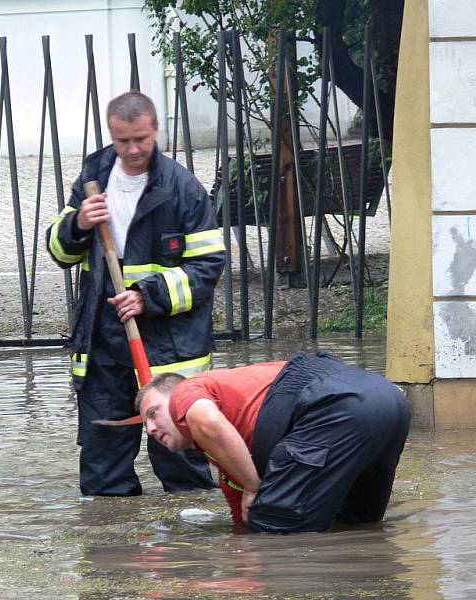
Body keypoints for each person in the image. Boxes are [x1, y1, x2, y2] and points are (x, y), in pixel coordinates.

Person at [46, 91, 226, 496]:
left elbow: (208, 267)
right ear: (111, 133)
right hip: (104, 340)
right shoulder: (93, 177)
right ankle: (111, 550)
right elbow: (59, 252)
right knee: (103, 458)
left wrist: (149, 297)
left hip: (169, 345)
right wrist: (78, 223)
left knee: (181, 460)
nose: (132, 149)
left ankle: (189, 550)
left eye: (141, 139)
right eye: (123, 140)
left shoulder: (182, 189)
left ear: (156, 130)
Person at [136, 352, 412, 533]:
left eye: (152, 413)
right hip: (390, 402)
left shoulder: (186, 390)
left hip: (336, 406)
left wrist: (253, 487)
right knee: (355, 528)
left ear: (172, 398)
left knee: (274, 531)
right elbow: (243, 526)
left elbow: (208, 423)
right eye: (145, 424)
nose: (150, 429)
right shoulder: (229, 464)